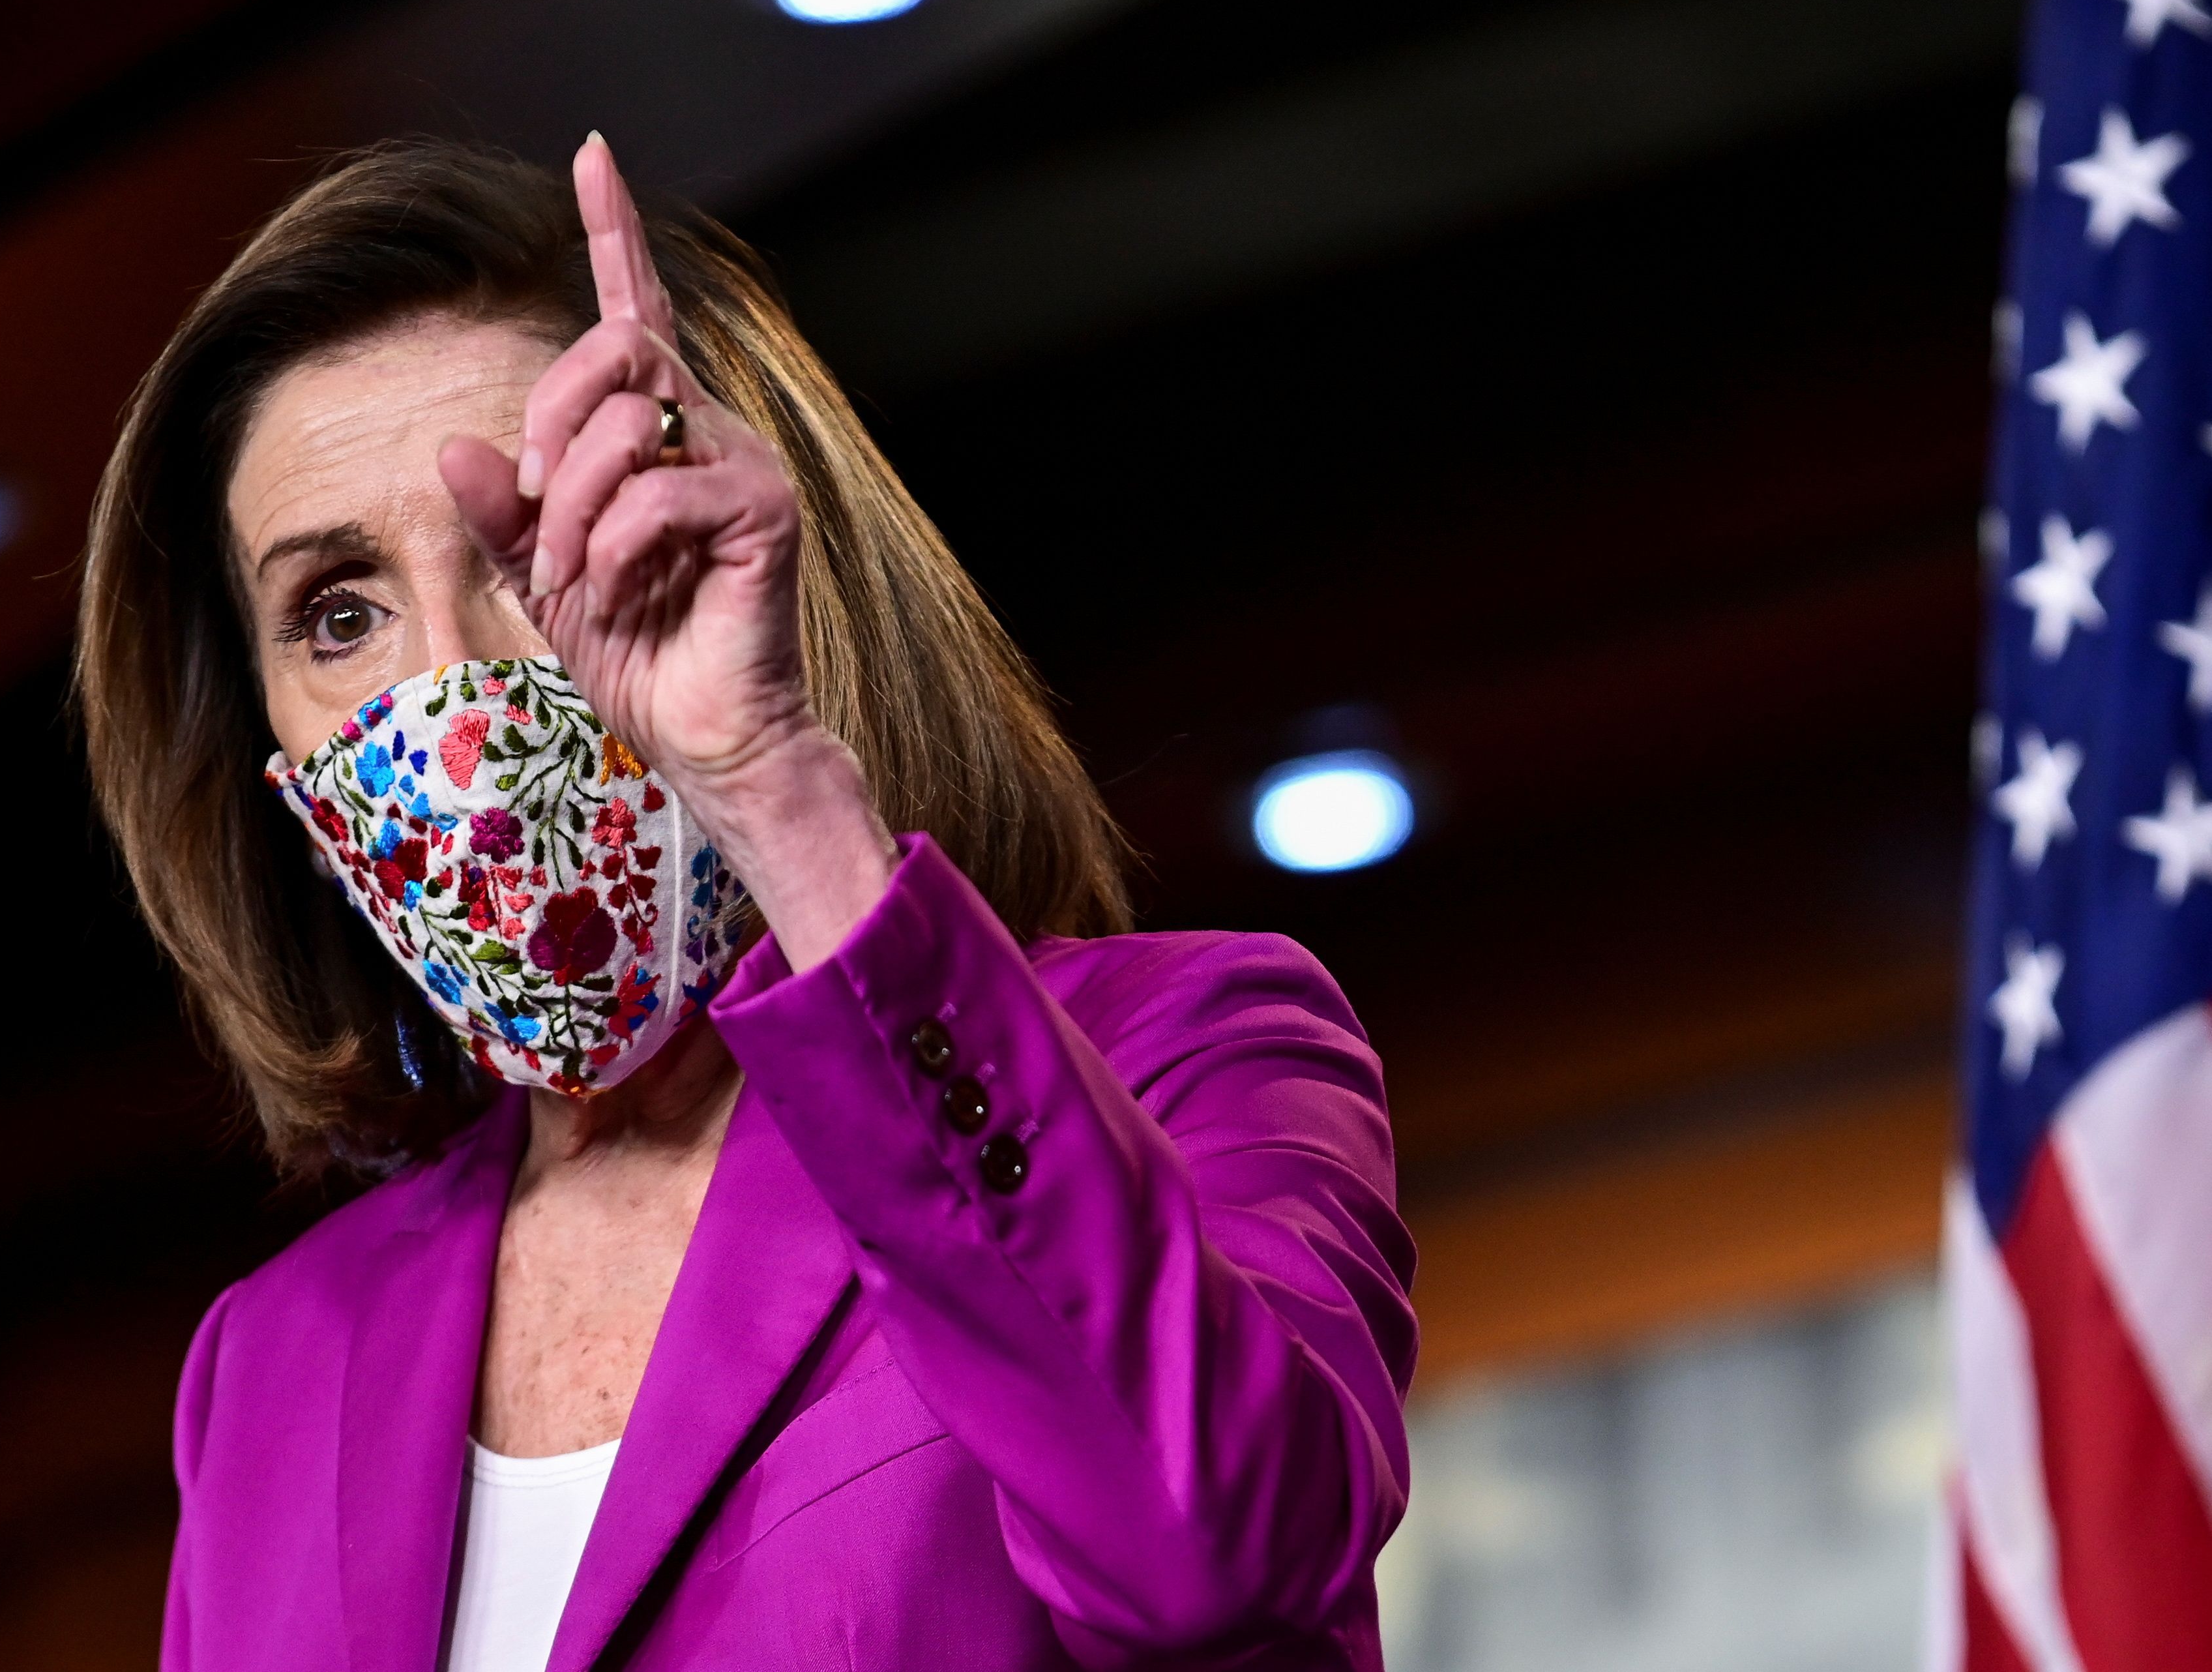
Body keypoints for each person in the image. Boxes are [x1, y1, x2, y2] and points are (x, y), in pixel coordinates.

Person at [76, 133, 1416, 1672]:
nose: (448, 691)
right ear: (278, 772)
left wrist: (769, 774)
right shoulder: (271, 1361)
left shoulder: (1185, 1051)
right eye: (338, 614)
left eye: (531, 548)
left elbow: (1213, 1558)